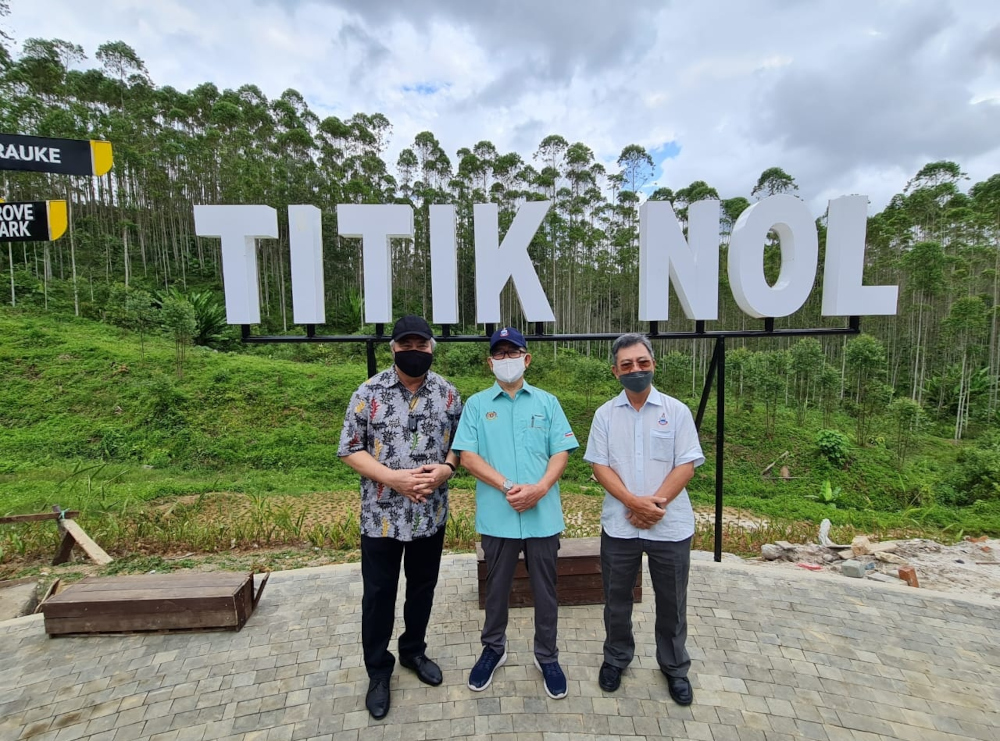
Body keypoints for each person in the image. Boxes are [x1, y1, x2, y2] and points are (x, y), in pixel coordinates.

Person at [338, 315, 463, 720]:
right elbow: (350, 448)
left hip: (430, 515)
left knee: (422, 589)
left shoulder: (447, 393)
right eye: (405, 344)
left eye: (421, 344)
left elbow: (462, 446)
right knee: (378, 596)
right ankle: (378, 670)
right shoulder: (368, 391)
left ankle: (413, 651)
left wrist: (447, 469)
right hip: (381, 517)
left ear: (431, 348)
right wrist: (391, 478)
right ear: (393, 348)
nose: (414, 351)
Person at [451, 327, 579, 700]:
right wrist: (509, 487)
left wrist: (539, 489)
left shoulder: (547, 403)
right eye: (499, 353)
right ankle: (493, 648)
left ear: (527, 358)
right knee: (497, 590)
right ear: (490, 361)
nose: (506, 359)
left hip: (543, 515)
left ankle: (547, 656)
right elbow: (468, 457)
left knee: (546, 590)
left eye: (513, 352)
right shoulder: (476, 405)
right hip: (498, 515)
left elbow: (562, 452)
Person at [583, 333, 705, 706]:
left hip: (670, 526)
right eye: (627, 365)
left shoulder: (677, 411)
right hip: (620, 525)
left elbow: (687, 464)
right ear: (615, 371)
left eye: (642, 362)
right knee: (616, 600)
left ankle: (674, 667)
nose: (635, 370)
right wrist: (634, 503)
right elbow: (599, 467)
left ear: (653, 363)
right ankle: (616, 658)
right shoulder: (605, 414)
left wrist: (655, 505)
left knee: (673, 603)